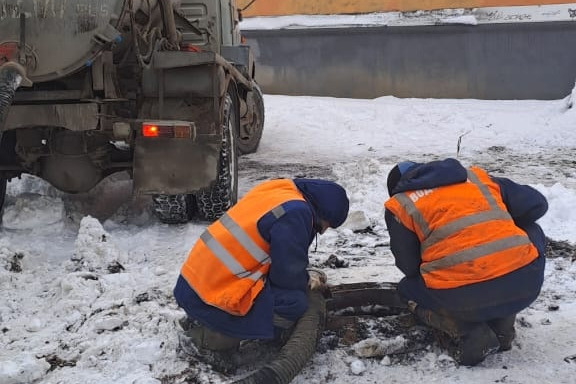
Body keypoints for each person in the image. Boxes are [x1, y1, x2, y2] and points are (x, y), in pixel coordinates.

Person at [384, 158, 548, 366]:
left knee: (407, 289)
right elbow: (537, 205)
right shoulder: (477, 178)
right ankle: (502, 323)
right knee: (531, 228)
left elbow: (408, 266)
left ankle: (467, 330)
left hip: (461, 298)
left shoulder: (401, 204)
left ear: (398, 187)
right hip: (525, 286)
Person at [173, 178, 349, 367]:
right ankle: (210, 340)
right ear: (324, 215)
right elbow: (287, 277)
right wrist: (306, 281)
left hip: (193, 284)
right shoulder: (297, 214)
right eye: (328, 226)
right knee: (294, 302)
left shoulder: (281, 189)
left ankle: (203, 320)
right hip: (214, 296)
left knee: (280, 291)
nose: (322, 232)